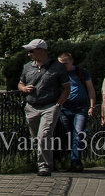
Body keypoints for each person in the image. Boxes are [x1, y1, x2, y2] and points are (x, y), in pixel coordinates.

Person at [18, 39, 69, 177]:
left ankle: (44, 166)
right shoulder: (27, 67)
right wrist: (24, 88)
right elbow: (20, 83)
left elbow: (66, 88)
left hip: (50, 106)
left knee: (44, 136)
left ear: (42, 50)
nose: (29, 54)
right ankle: (44, 162)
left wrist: (58, 104)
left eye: (31, 51)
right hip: (32, 106)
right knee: (36, 138)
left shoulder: (58, 67)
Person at [56, 52, 96, 171]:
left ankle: (75, 161)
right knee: (68, 135)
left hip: (80, 108)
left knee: (78, 134)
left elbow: (91, 90)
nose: (63, 66)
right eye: (60, 64)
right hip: (65, 108)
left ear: (72, 61)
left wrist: (92, 106)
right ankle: (71, 159)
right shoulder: (58, 74)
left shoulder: (81, 72)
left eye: (65, 64)